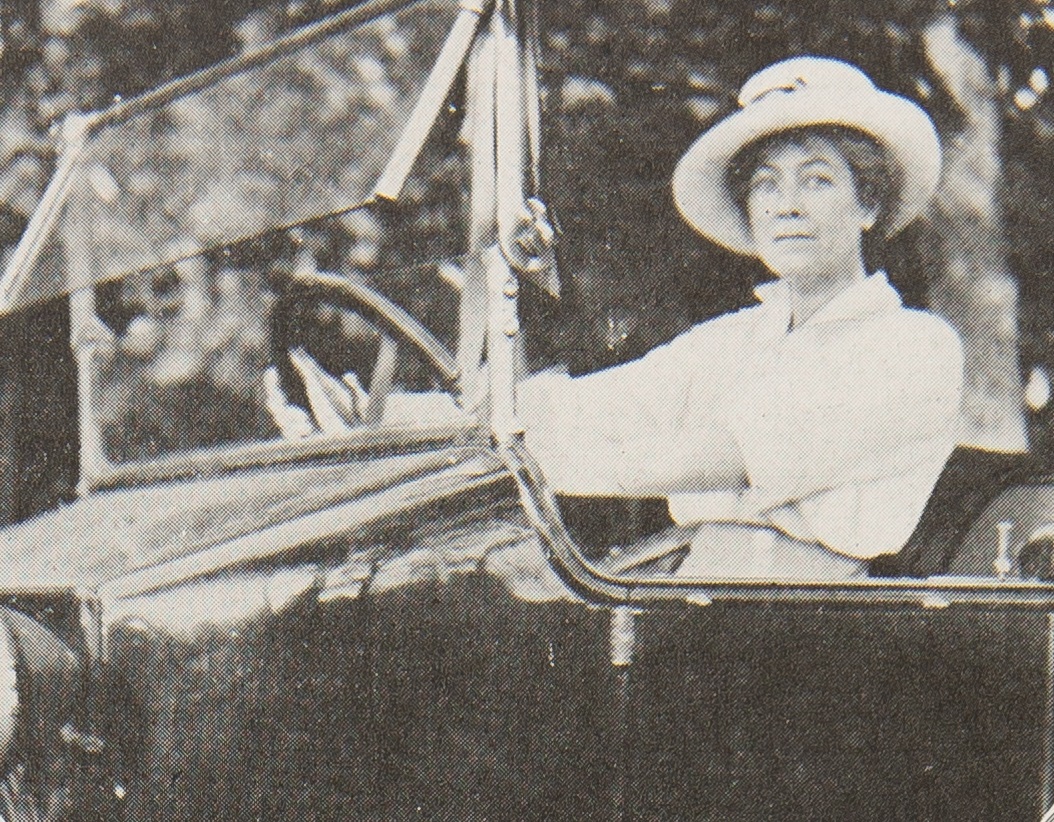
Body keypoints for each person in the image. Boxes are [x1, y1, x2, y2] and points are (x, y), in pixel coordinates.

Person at [516, 56, 964, 580]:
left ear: (868, 205)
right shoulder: (728, 341)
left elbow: (733, 454)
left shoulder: (914, 346)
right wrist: (477, 409)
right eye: (766, 184)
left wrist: (539, 466)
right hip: (689, 587)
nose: (787, 206)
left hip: (814, 613)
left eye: (817, 180)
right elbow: (587, 408)